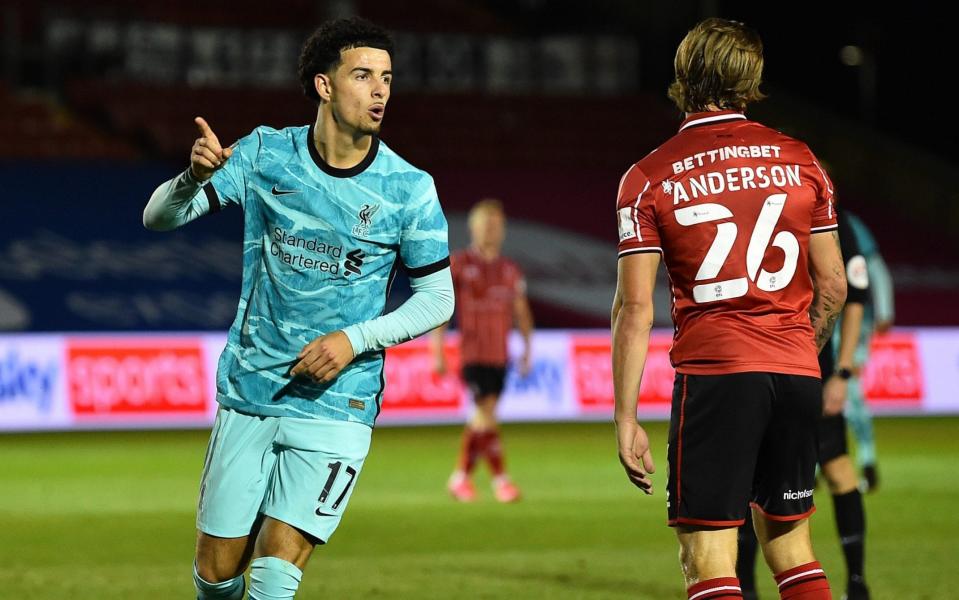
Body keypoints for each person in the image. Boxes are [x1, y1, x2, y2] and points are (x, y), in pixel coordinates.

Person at [143, 18, 454, 600]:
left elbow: (439, 299)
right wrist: (192, 177)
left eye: (387, 78)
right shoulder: (266, 154)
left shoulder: (409, 188)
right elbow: (158, 217)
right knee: (216, 575)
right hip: (251, 390)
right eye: (362, 75)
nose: (380, 90)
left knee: (273, 576)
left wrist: (352, 341)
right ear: (324, 85)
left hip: (340, 403)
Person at [611, 18, 846, 600]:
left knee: (708, 560)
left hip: (716, 376)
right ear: (752, 80)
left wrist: (624, 417)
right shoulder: (803, 160)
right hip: (795, 372)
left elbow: (634, 307)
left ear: (681, 76)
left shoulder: (648, 177)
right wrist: (794, 350)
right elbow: (834, 286)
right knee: (793, 551)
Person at [737, 213, 873, 600]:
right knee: (751, 479)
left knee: (835, 469)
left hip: (800, 371)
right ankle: (746, 588)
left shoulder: (831, 220)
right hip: (780, 369)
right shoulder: (810, 213)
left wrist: (842, 373)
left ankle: (858, 583)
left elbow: (853, 297)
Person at [431, 199, 534, 503]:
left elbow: (521, 311)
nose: (492, 231)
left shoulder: (510, 270)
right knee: (484, 414)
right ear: (473, 228)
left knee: (484, 417)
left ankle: (461, 478)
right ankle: (500, 480)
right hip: (472, 353)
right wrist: (436, 349)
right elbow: (442, 310)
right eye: (486, 225)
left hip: (499, 355)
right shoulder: (460, 264)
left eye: (497, 225)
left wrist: (527, 347)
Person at [843, 210, 895, 491]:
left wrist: (884, 311)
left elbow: (875, 267)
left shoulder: (848, 223)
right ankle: (815, 466)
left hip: (853, 322)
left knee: (848, 389)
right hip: (819, 322)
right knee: (817, 393)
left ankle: (868, 460)